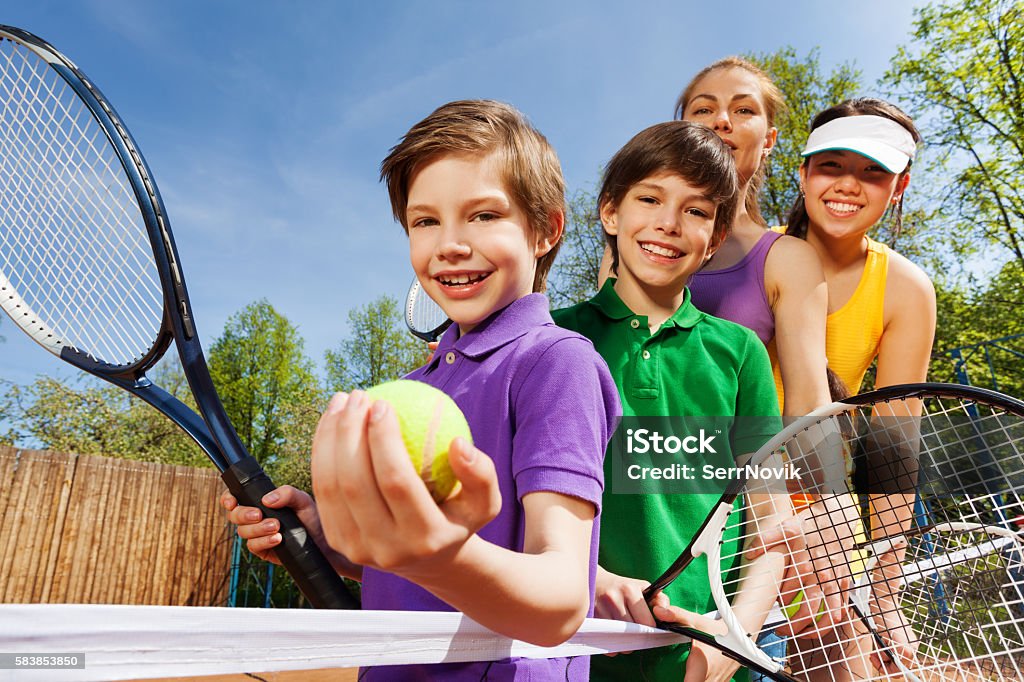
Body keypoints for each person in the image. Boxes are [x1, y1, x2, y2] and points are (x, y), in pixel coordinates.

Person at [222, 99, 621, 681]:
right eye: (425, 221)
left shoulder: (557, 362)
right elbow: (404, 570)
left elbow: (560, 600)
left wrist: (440, 557)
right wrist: (330, 539)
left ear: (546, 230)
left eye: (484, 215)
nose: (450, 244)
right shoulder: (412, 388)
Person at [553, 120, 790, 682]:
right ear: (611, 211)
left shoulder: (740, 352)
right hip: (569, 658)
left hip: (704, 660)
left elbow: (771, 526)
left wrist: (728, 644)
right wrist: (589, 582)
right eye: (650, 198)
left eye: (696, 210)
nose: (668, 222)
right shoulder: (551, 339)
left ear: (714, 237)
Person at [775, 98, 937, 678]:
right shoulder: (744, 253)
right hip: (713, 483)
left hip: (819, 494)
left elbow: (896, 438)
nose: (849, 186)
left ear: (900, 187)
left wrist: (884, 590)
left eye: (873, 171)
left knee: (838, 653)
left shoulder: (906, 288)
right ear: (803, 171)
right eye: (832, 165)